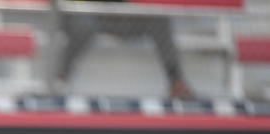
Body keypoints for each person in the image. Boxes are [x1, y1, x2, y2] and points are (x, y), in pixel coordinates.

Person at [52, 0, 193, 99]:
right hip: (82, 14)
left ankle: (176, 81)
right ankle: (61, 77)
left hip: (115, 15)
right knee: (82, 27)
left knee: (159, 19)